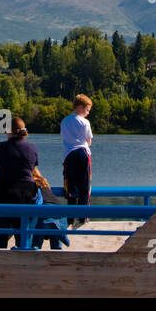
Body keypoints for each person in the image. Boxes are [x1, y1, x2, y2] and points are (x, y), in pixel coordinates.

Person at [0, 116, 40, 248]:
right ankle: (22, 263)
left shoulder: (0, 147)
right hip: (26, 195)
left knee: (0, 234)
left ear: (8, 131)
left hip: (4, 194)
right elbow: (31, 171)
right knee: (22, 236)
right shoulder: (32, 148)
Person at [60, 94, 94, 226]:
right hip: (83, 153)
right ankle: (82, 216)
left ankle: (70, 217)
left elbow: (65, 138)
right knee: (84, 185)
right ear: (80, 107)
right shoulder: (85, 122)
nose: (88, 113)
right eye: (87, 110)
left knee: (71, 186)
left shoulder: (64, 121)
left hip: (69, 155)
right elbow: (89, 141)